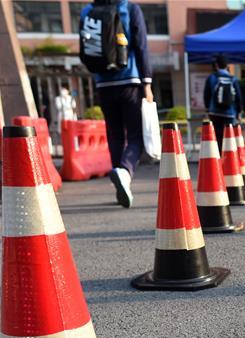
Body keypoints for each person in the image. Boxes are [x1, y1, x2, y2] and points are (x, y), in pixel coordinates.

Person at [79, 0, 152, 208]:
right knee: (136, 136)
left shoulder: (87, 11)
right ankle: (125, 172)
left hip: (103, 83)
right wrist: (147, 83)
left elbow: (85, 49)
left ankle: (120, 180)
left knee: (115, 134)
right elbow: (141, 46)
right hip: (129, 81)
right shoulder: (129, 8)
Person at [204, 54, 242, 153]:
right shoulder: (233, 79)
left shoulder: (211, 78)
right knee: (229, 137)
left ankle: (218, 157)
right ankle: (229, 158)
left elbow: (206, 95)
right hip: (230, 113)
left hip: (214, 112)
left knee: (217, 136)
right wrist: (239, 112)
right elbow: (238, 97)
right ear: (227, 65)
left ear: (216, 65)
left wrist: (208, 109)